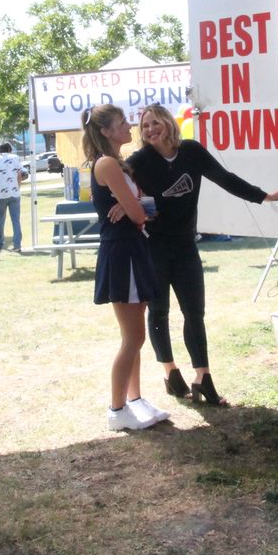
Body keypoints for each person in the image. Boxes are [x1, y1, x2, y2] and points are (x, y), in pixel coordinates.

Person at [128, 103, 278, 406]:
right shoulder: (140, 160)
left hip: (186, 245)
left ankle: (203, 377)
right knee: (159, 311)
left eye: (155, 123)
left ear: (168, 123)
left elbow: (225, 178)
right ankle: (170, 371)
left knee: (194, 312)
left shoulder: (191, 151)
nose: (150, 130)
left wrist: (263, 195)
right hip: (154, 247)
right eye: (145, 125)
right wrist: (122, 205)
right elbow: (115, 182)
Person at [82, 104, 170, 431]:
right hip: (122, 254)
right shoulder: (106, 164)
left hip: (133, 249)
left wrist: (130, 205)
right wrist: (131, 207)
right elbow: (139, 213)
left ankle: (134, 400)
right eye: (122, 123)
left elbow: (147, 207)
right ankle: (117, 409)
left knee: (136, 334)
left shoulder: (118, 165)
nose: (129, 126)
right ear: (105, 131)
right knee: (132, 336)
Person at [0, 142, 24, 251]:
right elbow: (19, 175)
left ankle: (0, 243)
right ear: (9, 149)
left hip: (0, 194)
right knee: (15, 220)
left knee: (0, 220)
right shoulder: (16, 158)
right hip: (14, 193)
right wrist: (18, 187)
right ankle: (17, 245)